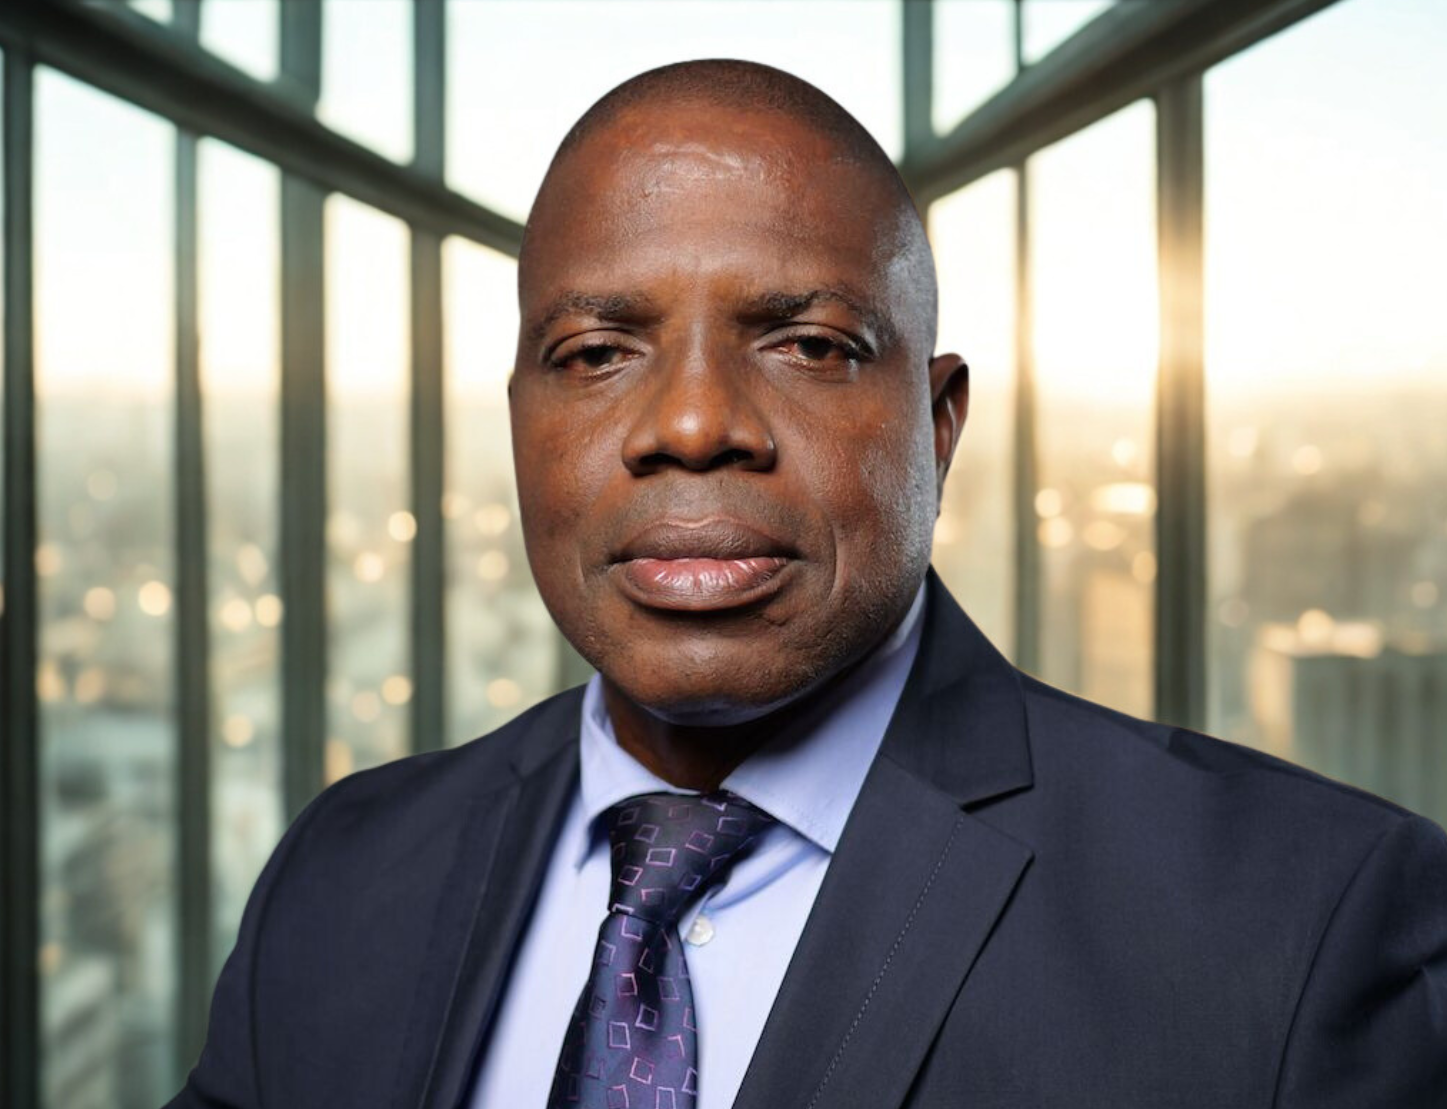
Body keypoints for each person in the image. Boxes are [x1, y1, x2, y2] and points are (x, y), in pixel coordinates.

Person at [166, 60, 1447, 1109]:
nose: (690, 423)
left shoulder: (1300, 930)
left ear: (937, 424)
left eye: (808, 344)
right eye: (597, 351)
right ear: (518, 421)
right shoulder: (341, 875)